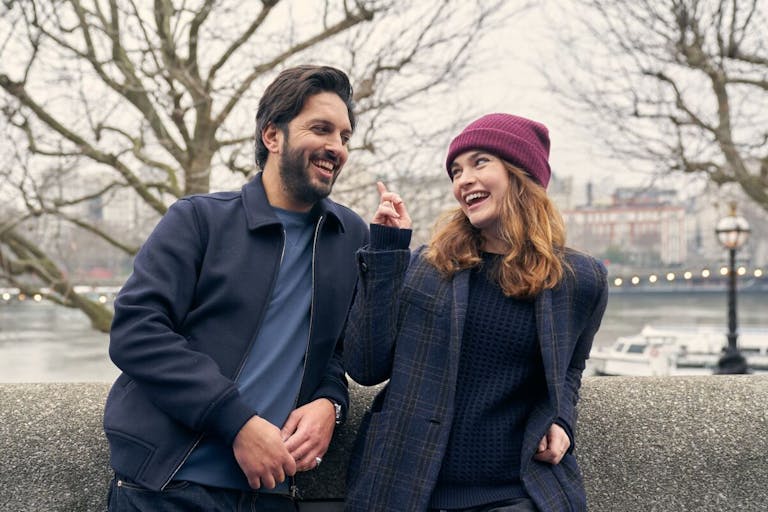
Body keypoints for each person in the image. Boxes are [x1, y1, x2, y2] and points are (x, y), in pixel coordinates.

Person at [103, 65, 368, 511]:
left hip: (273, 491)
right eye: (320, 129)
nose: (335, 147)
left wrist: (330, 403)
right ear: (272, 136)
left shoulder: (350, 236)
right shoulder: (198, 219)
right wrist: (238, 422)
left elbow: (338, 353)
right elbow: (136, 331)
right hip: (167, 487)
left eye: (344, 136)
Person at [343, 113, 609, 512]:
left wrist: (561, 420)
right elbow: (365, 366)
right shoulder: (426, 268)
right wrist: (385, 251)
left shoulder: (581, 279)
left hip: (515, 494)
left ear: (521, 175)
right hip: (406, 490)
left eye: (480, 162)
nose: (463, 179)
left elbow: (570, 368)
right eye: (455, 171)